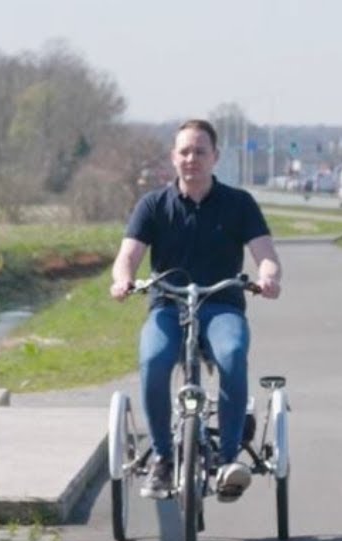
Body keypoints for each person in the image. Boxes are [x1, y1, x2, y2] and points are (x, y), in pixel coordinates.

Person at [109, 119, 282, 503]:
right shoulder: (153, 205)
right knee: (153, 360)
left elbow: (265, 255)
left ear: (215, 157)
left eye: (200, 151)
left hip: (221, 305)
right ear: (174, 158)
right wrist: (123, 280)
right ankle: (165, 458)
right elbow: (128, 256)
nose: (192, 159)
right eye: (184, 151)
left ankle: (227, 458)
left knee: (233, 356)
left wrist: (267, 278)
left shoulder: (239, 204)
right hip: (168, 306)